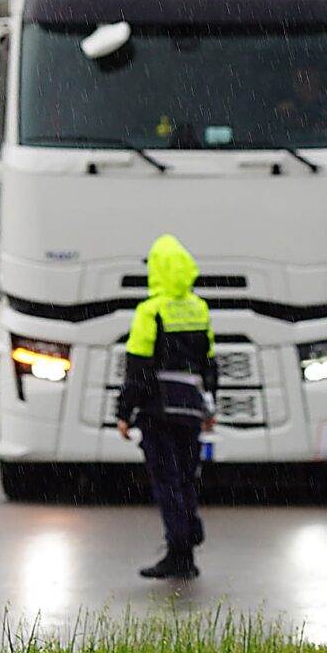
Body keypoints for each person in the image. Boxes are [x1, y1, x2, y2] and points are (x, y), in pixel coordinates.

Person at [116, 234, 217, 579]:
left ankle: (180, 549)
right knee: (186, 478)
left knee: (167, 481)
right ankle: (188, 535)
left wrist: (124, 412)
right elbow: (209, 363)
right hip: (190, 409)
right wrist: (210, 408)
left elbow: (138, 368)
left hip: (158, 411)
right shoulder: (199, 308)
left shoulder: (150, 311)